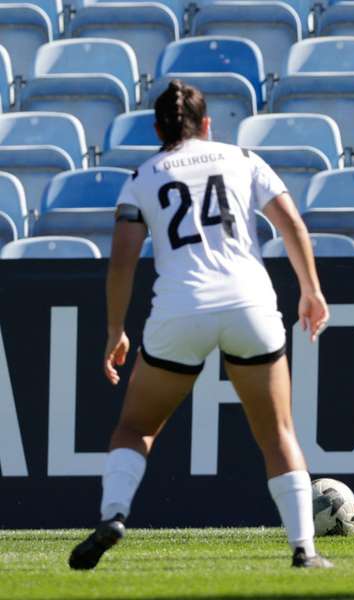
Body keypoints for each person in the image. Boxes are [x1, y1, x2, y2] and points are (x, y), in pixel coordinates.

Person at [68, 80, 333, 569]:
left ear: (157, 129)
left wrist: (114, 329)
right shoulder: (242, 159)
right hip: (249, 302)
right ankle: (304, 549)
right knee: (277, 432)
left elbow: (122, 262)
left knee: (135, 428)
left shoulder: (142, 176)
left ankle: (113, 514)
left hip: (180, 307)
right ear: (207, 124)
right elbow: (292, 224)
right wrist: (312, 290)